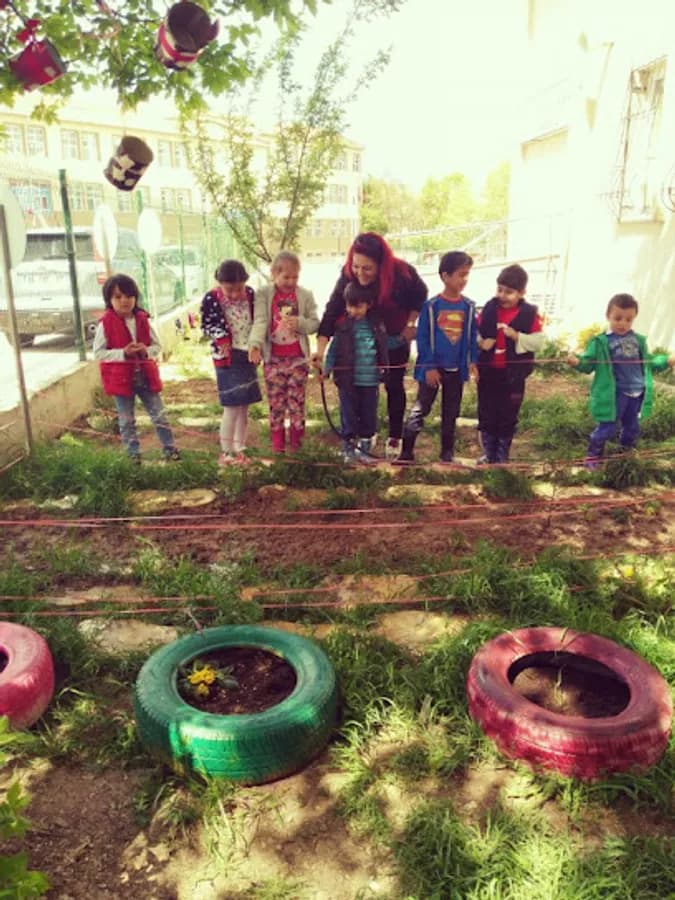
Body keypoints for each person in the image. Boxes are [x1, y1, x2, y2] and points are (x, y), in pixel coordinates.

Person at [313, 232, 427, 458]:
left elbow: (420, 295)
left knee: (394, 385)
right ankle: (358, 437)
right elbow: (331, 311)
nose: (360, 273)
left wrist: (410, 324)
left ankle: (395, 435)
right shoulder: (348, 276)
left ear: (381, 266)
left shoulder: (401, 273)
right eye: (356, 266)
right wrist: (320, 351)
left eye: (367, 268)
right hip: (358, 342)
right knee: (358, 390)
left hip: (393, 336)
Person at [567, 292, 675, 468]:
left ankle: (625, 453)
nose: (623, 323)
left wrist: (666, 361)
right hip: (615, 393)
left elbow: (649, 361)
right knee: (608, 426)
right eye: (617, 318)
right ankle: (593, 456)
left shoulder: (638, 340)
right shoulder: (601, 342)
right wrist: (577, 362)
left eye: (628, 319)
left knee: (632, 427)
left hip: (637, 392)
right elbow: (588, 363)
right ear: (608, 315)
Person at [393, 251, 478, 465]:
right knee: (421, 409)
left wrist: (472, 361)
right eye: (460, 275)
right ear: (445, 276)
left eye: (467, 275)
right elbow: (422, 339)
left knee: (451, 412)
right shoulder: (431, 307)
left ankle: (446, 454)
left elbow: (470, 337)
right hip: (432, 370)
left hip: (456, 370)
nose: (464, 280)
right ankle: (406, 452)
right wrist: (429, 366)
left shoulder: (468, 306)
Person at [94, 273, 180, 465]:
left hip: (145, 377)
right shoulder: (105, 323)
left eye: (128, 296)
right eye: (118, 297)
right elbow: (98, 353)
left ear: (135, 297)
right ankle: (133, 455)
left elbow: (157, 347)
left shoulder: (142, 319)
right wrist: (122, 353)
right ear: (109, 300)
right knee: (126, 420)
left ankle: (170, 449)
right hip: (121, 380)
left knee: (159, 414)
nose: (124, 301)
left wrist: (145, 350)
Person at [248, 250, 319, 454]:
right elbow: (260, 320)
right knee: (276, 403)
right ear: (274, 274)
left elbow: (315, 323)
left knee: (297, 403)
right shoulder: (264, 294)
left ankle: (297, 446)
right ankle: (278, 446)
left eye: (295, 276)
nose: (291, 281)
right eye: (286, 277)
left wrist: (301, 323)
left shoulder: (305, 295)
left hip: (298, 359)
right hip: (274, 359)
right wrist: (255, 344)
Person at [476, 264, 545, 464]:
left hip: (514, 376)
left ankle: (501, 457)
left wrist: (516, 336)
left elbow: (539, 341)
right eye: (500, 289)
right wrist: (481, 342)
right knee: (487, 413)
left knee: (508, 415)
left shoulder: (530, 314)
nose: (503, 295)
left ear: (522, 292)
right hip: (489, 374)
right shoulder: (489, 309)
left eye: (509, 292)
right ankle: (489, 455)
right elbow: (475, 332)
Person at [200, 259, 262, 465]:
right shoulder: (211, 298)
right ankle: (226, 451)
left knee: (244, 405)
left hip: (247, 354)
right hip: (227, 357)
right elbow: (206, 324)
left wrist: (257, 345)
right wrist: (221, 337)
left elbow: (259, 321)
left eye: (239, 289)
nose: (235, 294)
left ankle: (240, 446)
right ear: (219, 283)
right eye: (230, 290)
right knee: (232, 406)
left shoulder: (252, 295)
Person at [323, 281, 388, 464]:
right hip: (348, 381)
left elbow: (385, 345)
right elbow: (333, 350)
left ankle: (365, 452)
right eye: (350, 306)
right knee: (348, 416)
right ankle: (348, 450)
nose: (354, 310)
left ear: (368, 305)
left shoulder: (376, 326)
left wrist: (399, 347)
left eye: (358, 306)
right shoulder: (342, 327)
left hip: (370, 382)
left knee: (368, 417)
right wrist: (326, 369)